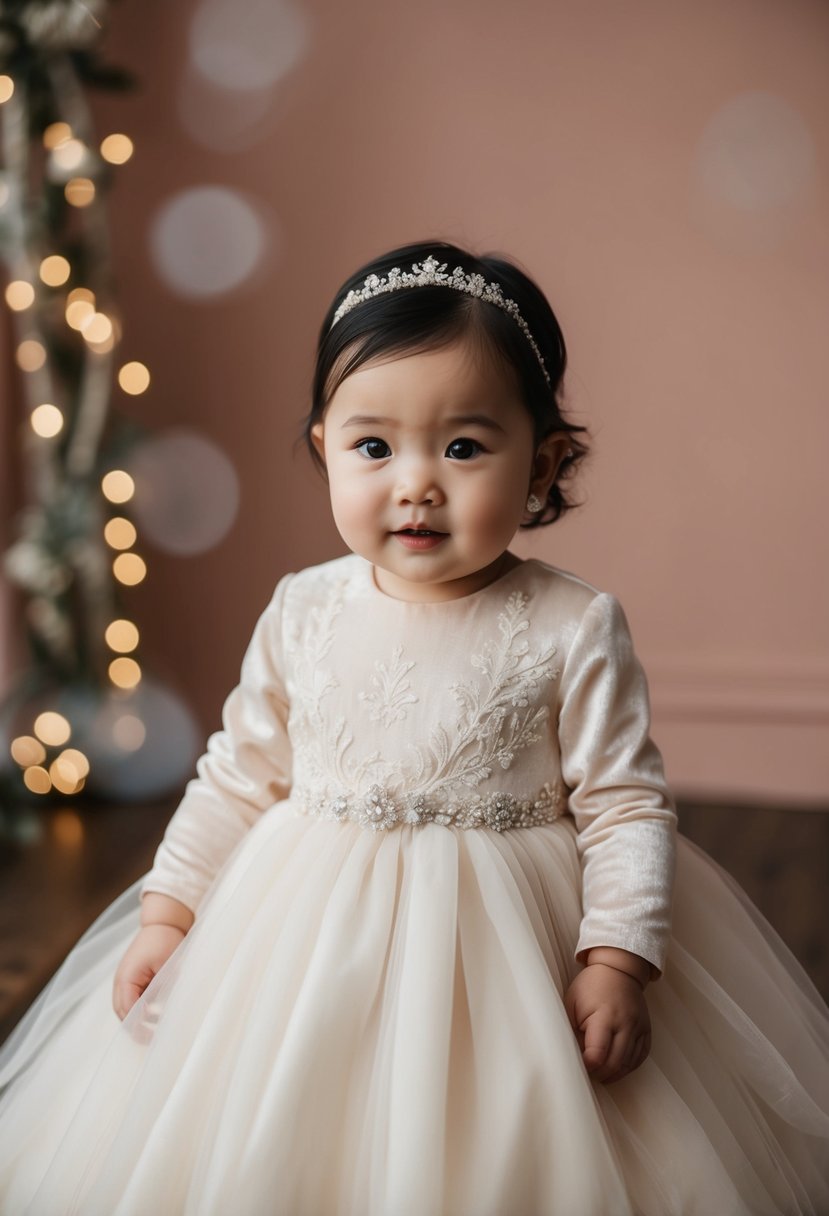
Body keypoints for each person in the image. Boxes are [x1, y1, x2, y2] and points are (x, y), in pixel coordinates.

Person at [1, 239, 827, 1216]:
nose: (415, 484)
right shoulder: (304, 610)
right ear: (323, 447)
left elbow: (623, 804)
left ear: (543, 462)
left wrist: (613, 960)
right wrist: (169, 912)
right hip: (303, 939)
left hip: (506, 954)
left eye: (464, 446)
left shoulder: (572, 625)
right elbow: (238, 773)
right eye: (373, 446)